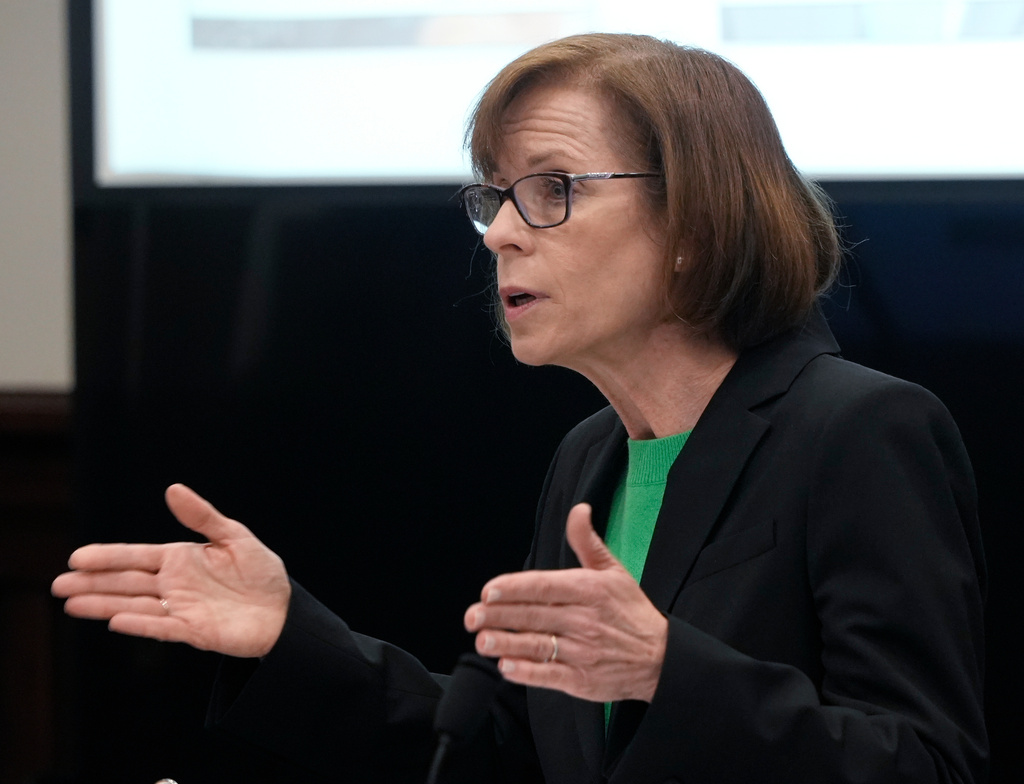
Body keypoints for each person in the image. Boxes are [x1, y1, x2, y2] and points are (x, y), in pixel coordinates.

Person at [52, 33, 987, 784]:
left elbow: (928, 762)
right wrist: (287, 635)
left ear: (696, 225)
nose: (499, 231)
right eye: (495, 195)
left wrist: (669, 673)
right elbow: (492, 749)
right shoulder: (590, 459)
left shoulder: (859, 431)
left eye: (553, 190)